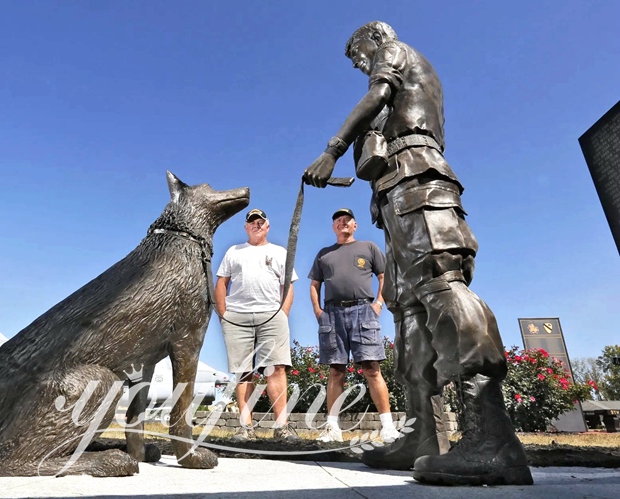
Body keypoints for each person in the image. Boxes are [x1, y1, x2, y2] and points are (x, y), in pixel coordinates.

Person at [303, 21, 532, 486]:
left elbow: (378, 94)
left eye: (356, 52)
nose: (357, 62)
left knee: (441, 286)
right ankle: (422, 435)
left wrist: (333, 148)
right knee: (407, 311)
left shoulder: (393, 50)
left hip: (419, 184)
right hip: (395, 195)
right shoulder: (394, 71)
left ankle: (491, 438)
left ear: (373, 38)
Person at [308, 208, 400, 444]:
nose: (342, 223)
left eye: (347, 220)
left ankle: (388, 427)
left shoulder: (368, 248)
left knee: (372, 368)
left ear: (355, 225)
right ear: (333, 227)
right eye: (338, 220)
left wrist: (379, 303)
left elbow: (384, 276)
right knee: (336, 371)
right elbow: (314, 284)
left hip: (363, 311)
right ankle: (332, 427)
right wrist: (318, 311)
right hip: (332, 312)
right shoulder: (324, 254)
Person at [214, 208, 300, 443]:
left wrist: (283, 313)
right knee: (243, 372)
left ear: (267, 227)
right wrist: (224, 315)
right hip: (237, 318)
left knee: (276, 368)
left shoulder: (280, 252)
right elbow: (221, 283)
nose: (256, 225)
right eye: (252, 222)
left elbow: (288, 285)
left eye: (261, 222)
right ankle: (245, 427)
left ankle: (282, 426)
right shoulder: (234, 251)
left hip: (272, 315)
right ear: (246, 227)